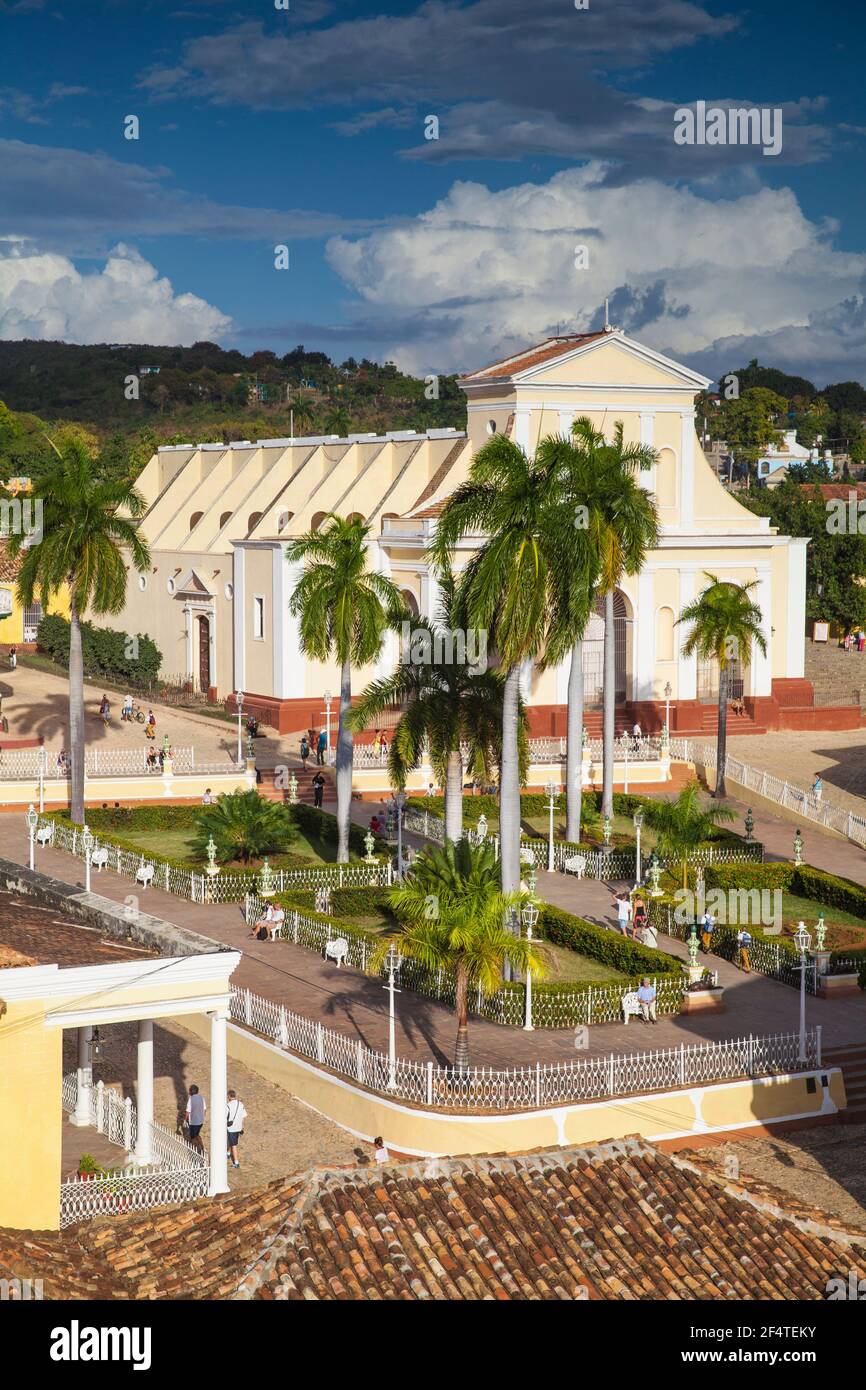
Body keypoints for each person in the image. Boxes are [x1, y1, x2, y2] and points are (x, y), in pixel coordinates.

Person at [226, 1090, 247, 1169]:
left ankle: (236, 1162)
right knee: (231, 1141)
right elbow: (243, 1116)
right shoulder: (240, 1104)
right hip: (239, 1127)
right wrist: (242, 1126)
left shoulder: (228, 1105)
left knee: (233, 1145)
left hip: (231, 1128)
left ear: (229, 1096)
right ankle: (228, 1153)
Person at [184, 1085, 206, 1150]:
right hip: (200, 1121)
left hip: (193, 1122)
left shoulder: (191, 1099)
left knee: (193, 1137)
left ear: (191, 1091)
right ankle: (201, 1147)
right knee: (197, 1134)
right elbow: (204, 1109)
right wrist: (202, 1118)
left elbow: (188, 1111)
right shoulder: (202, 1098)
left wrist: (185, 1120)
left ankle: (195, 1149)